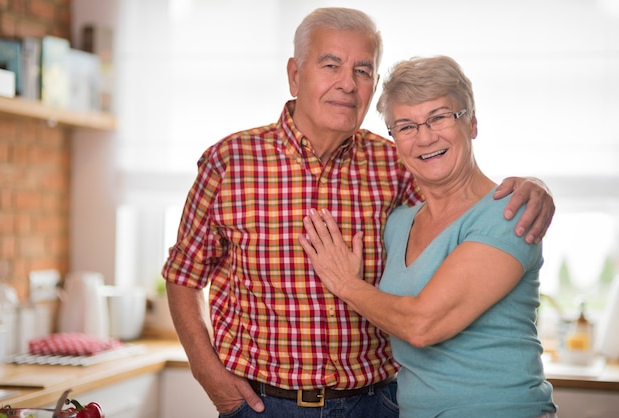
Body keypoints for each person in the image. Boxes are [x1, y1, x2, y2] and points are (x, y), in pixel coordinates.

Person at [162, 8, 555, 418]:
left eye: (363, 71)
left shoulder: (397, 159)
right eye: (331, 65)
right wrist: (210, 376)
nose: (347, 84)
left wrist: (534, 187)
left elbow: (461, 195)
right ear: (295, 75)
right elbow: (184, 275)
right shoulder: (230, 161)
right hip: (265, 405)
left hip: (378, 404)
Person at [298, 55, 558, 418]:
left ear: (472, 122)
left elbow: (422, 325)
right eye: (405, 126)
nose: (424, 137)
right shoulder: (398, 223)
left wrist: (347, 284)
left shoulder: (509, 213)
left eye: (439, 117)